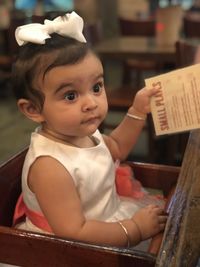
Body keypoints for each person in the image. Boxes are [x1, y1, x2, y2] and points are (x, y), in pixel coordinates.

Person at [12, 11, 167, 249]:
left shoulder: (80, 132)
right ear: (33, 109)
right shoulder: (49, 166)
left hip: (106, 219)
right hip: (75, 247)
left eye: (96, 87)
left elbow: (115, 148)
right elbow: (74, 231)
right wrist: (134, 228)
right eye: (71, 95)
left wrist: (138, 110)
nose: (91, 103)